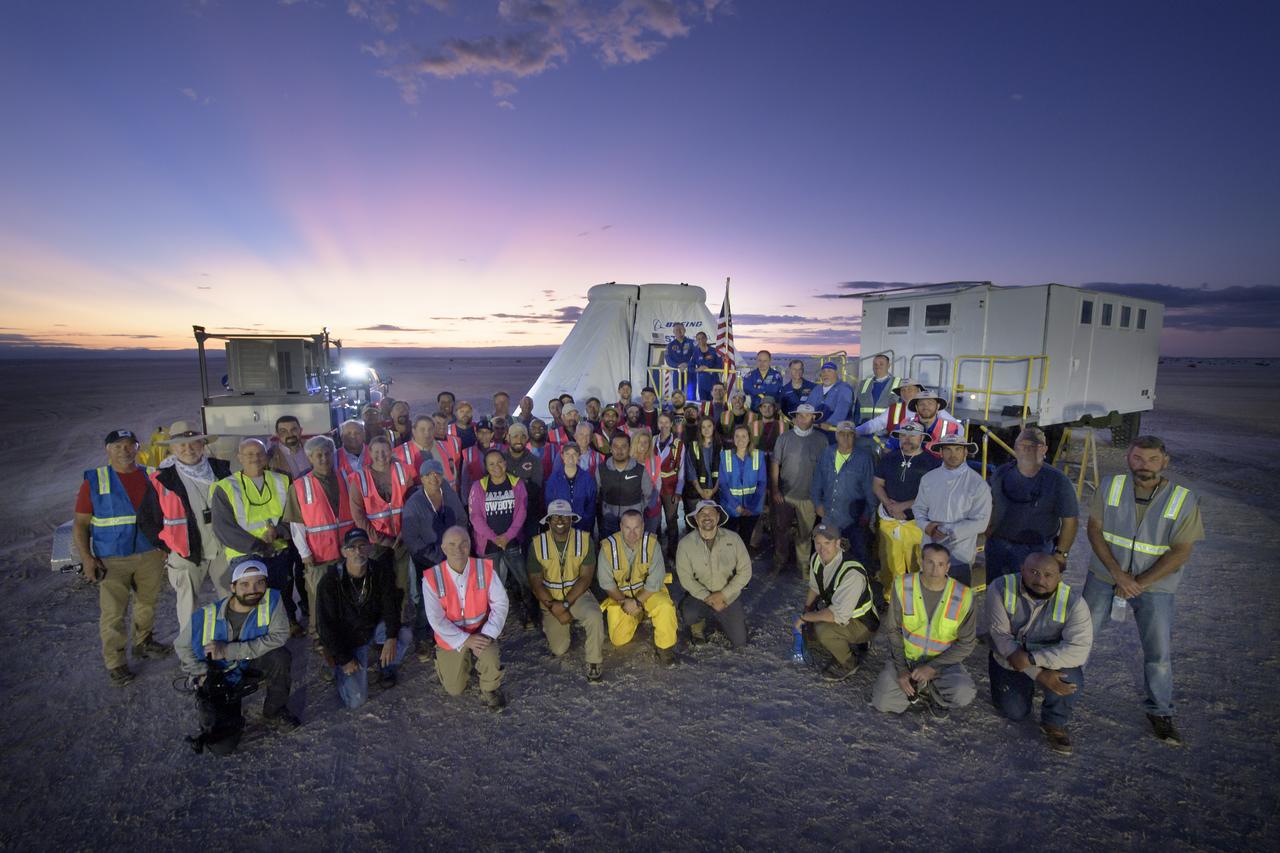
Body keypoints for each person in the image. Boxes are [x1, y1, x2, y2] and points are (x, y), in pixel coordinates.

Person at [1083, 435, 1203, 746]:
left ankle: (1161, 712)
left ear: (1165, 462)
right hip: (1105, 577)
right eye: (1137, 459)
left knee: (1158, 653)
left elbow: (1181, 551)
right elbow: (1094, 529)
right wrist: (1118, 575)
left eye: (1152, 460)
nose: (1144, 466)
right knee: (1081, 638)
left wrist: (1140, 582)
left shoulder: (1182, 498)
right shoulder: (1111, 486)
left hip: (1156, 587)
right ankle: (1062, 690)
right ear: (1128, 459)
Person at [73, 429, 169, 685]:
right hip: (111, 558)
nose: (124, 451)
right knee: (113, 613)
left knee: (147, 604)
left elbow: (166, 514)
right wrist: (87, 558)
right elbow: (81, 524)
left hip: (149, 553)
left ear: (138, 447)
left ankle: (143, 642)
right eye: (118, 446)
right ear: (108, 450)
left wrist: (165, 546)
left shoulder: (152, 475)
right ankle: (115, 663)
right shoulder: (95, 480)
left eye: (130, 445)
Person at [177, 560, 299, 748]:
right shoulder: (205, 615)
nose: (253, 589)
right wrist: (200, 674)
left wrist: (229, 651)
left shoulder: (272, 600)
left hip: (249, 664)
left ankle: (275, 710)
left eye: (260, 582)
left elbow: (280, 635)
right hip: (222, 677)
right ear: (232, 587)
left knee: (279, 657)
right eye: (245, 584)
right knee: (222, 747)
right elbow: (182, 646)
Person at [987, 552, 1093, 755]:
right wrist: (1039, 674)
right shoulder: (1000, 587)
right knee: (1015, 712)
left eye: (1048, 574)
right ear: (1022, 570)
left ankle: (1054, 722)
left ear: (1059, 577)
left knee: (1071, 679)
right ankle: (1030, 684)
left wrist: (1032, 659)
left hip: (1043, 659)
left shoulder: (1074, 603)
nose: (1040, 580)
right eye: (1033, 572)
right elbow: (1001, 638)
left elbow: (1079, 650)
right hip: (1009, 658)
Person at [138, 421, 231, 649]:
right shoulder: (162, 479)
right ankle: (192, 657)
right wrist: (167, 546)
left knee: (230, 599)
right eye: (181, 444)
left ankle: (231, 647)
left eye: (193, 443)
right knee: (187, 607)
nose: (188, 449)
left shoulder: (220, 470)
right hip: (185, 552)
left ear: (202, 444)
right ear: (172, 449)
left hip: (222, 547)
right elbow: (146, 519)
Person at [871, 543, 976, 716]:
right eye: (930, 562)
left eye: (941, 564)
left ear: (948, 567)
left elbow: (966, 644)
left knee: (963, 692)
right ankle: (915, 687)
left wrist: (932, 667)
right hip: (908, 659)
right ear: (921, 562)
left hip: (943, 664)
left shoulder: (964, 595)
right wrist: (902, 669)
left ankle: (936, 696)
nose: (935, 569)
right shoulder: (903, 585)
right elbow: (893, 630)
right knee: (882, 701)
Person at [211, 438, 301, 632]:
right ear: (239, 458)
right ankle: (254, 633)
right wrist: (259, 546)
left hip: (278, 551)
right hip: (244, 555)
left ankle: (288, 623)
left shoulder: (281, 480)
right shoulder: (225, 487)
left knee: (282, 592)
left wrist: (279, 532)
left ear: (266, 457)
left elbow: (293, 515)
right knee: (252, 597)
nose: (255, 458)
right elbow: (223, 528)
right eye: (249, 454)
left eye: (260, 453)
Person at [317, 529, 412, 706]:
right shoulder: (330, 581)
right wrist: (344, 658)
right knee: (356, 701)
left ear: (369, 548)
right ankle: (337, 667)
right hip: (348, 641)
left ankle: (386, 667)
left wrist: (391, 636)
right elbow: (324, 626)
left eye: (362, 546)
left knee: (404, 634)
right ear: (344, 552)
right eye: (352, 548)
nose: (358, 552)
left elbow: (391, 605)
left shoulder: (379, 571)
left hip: (372, 630)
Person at [421, 527, 508, 709]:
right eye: (451, 545)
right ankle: (452, 662)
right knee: (455, 689)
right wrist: (466, 640)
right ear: (443, 548)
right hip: (451, 639)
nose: (458, 550)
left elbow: (500, 604)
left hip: (481, 632)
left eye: (463, 544)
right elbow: (436, 620)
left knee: (490, 656)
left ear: (470, 545)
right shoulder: (431, 578)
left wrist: (488, 633)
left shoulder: (484, 568)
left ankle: (490, 688)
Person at [986, 426, 1079, 582]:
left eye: (1035, 446)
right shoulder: (1001, 473)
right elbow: (991, 503)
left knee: (1028, 597)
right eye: (1023, 445)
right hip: (998, 547)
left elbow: (1070, 521)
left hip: (1036, 551)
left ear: (1044, 449)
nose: (1028, 450)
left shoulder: (1058, 481)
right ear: (1015, 447)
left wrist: (1061, 554)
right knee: (996, 592)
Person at [281, 435, 352, 638]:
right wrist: (304, 553)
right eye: (318, 455)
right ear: (310, 457)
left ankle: (344, 631)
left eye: (327, 453)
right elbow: (297, 525)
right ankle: (318, 634)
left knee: (345, 592)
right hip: (319, 552)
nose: (323, 458)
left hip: (347, 549)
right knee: (318, 595)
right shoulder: (300, 486)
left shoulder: (347, 478)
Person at [527, 500, 605, 682]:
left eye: (564, 517)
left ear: (571, 519)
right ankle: (558, 622)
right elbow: (536, 583)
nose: (560, 520)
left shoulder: (585, 540)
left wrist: (564, 604)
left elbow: (586, 578)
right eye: (555, 516)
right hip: (550, 600)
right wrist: (554, 608)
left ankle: (594, 661)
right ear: (549, 520)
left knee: (594, 615)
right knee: (559, 649)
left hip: (577, 596)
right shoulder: (537, 544)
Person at [401, 458, 468, 658]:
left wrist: (459, 546)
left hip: (453, 555)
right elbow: (412, 539)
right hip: (428, 559)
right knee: (427, 599)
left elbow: (462, 519)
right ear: (421, 478)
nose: (434, 478)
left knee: (456, 595)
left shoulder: (448, 494)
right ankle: (422, 637)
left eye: (437, 473)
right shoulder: (414, 504)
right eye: (428, 475)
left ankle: (453, 631)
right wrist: (436, 556)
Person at [796, 524, 880, 680]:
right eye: (818, 543)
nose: (822, 549)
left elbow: (837, 615)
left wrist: (804, 617)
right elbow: (815, 587)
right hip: (841, 613)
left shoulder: (852, 573)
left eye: (827, 543)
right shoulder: (816, 558)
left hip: (863, 623)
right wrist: (806, 609)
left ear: (837, 543)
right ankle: (850, 643)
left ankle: (849, 663)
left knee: (823, 631)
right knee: (810, 632)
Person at [598, 510, 679, 664]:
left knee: (665, 606)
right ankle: (638, 615)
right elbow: (606, 583)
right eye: (628, 528)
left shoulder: (652, 543)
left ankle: (665, 648)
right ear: (621, 527)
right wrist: (624, 602)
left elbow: (655, 581)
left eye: (636, 528)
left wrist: (638, 602)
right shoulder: (608, 547)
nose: (632, 533)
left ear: (643, 527)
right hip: (621, 596)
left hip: (648, 593)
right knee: (618, 639)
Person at [912, 433, 992, 587]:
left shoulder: (977, 484)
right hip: (930, 553)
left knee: (957, 605)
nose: (953, 454)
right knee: (929, 601)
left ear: (965, 452)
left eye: (958, 449)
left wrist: (948, 530)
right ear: (941, 452)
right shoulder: (929, 479)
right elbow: (919, 508)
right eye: (948, 449)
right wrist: (926, 526)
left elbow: (981, 521)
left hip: (959, 557)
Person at [871, 421, 940, 597]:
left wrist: (904, 506)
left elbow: (933, 493)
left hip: (916, 523)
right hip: (889, 520)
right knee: (889, 562)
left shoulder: (932, 463)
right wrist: (889, 504)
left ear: (922, 438)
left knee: (917, 563)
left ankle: (916, 600)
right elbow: (878, 484)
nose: (907, 439)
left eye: (912, 435)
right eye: (903, 435)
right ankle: (891, 599)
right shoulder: (889, 458)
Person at [468, 448, 534, 625]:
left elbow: (521, 512)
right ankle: (492, 619)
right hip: (489, 544)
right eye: (491, 464)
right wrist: (494, 538)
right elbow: (475, 517)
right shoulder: (479, 486)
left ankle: (529, 612)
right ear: (486, 467)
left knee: (523, 579)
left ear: (505, 463)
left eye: (499, 462)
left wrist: (507, 536)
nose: (496, 466)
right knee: (491, 584)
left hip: (511, 541)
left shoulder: (517, 484)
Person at [348, 435, 414, 610]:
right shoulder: (360, 478)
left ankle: (402, 620)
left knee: (402, 584)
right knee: (378, 584)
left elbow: (412, 504)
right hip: (375, 543)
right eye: (376, 451)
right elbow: (359, 516)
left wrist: (404, 534)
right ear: (369, 452)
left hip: (401, 540)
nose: (381, 455)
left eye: (384, 450)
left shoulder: (403, 471)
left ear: (391, 451)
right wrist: (381, 539)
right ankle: (380, 624)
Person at [676, 500, 752, 648]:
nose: (707, 516)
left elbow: (746, 571)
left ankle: (727, 618)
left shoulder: (734, 539)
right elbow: (686, 579)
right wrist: (708, 597)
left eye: (711, 512)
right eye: (702, 513)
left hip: (727, 598)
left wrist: (723, 595)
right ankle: (697, 625)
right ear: (696, 519)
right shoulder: (685, 544)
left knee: (740, 641)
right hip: (700, 597)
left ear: (718, 517)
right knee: (689, 613)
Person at [770, 404, 827, 574]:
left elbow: (825, 470)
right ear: (795, 417)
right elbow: (775, 464)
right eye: (800, 416)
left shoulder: (821, 440)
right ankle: (779, 561)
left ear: (814, 417)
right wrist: (775, 490)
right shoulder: (784, 438)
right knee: (781, 530)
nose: (803, 419)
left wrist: (820, 497)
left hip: (809, 497)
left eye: (807, 416)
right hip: (786, 495)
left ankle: (803, 565)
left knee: (805, 533)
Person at [810, 421, 875, 564]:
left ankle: (859, 582)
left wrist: (867, 514)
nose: (846, 438)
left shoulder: (864, 458)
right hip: (829, 515)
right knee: (827, 554)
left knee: (859, 555)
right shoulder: (827, 453)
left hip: (854, 518)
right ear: (836, 435)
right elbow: (817, 482)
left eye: (850, 434)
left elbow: (870, 489)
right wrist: (817, 504)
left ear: (855, 437)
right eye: (842, 434)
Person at [855, 378, 961, 451]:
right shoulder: (895, 409)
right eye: (903, 390)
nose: (906, 393)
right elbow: (876, 423)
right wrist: (855, 431)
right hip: (900, 453)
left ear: (918, 391)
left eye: (910, 389)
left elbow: (958, 428)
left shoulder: (931, 408)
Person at [596, 432, 653, 540]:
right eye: (616, 446)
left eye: (624, 446)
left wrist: (638, 508)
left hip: (632, 523)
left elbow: (648, 494)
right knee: (609, 550)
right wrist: (605, 510)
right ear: (610, 448)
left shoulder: (640, 470)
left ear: (630, 448)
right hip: (609, 519)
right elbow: (596, 493)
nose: (619, 450)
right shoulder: (601, 469)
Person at [718, 424, 767, 545]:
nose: (740, 440)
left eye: (744, 436)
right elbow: (723, 485)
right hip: (731, 508)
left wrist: (750, 507)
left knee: (745, 540)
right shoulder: (725, 456)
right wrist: (737, 507)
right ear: (733, 439)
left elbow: (762, 483)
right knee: (729, 542)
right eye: (737, 436)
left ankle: (742, 563)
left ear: (749, 438)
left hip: (752, 508)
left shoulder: (758, 456)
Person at [544, 442, 598, 533]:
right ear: (562, 456)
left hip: (583, 528)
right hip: (560, 528)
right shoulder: (553, 480)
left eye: (574, 454)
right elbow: (550, 505)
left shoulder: (587, 479)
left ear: (579, 456)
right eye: (567, 454)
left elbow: (591, 507)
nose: (571, 457)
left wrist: (583, 525)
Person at [504, 423, 544, 541]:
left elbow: (535, 489)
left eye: (522, 436)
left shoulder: (535, 461)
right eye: (515, 436)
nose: (519, 440)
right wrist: (524, 482)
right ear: (508, 437)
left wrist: (510, 484)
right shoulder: (500, 459)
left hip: (529, 514)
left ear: (527, 438)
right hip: (505, 514)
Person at [654, 412, 685, 559]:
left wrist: (678, 491)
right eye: (661, 422)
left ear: (672, 424)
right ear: (657, 424)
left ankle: (673, 553)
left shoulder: (678, 444)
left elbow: (682, 470)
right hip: (653, 489)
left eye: (667, 422)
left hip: (670, 488)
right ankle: (656, 552)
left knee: (671, 521)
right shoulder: (652, 440)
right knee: (655, 522)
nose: (664, 425)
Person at [683, 415, 721, 521]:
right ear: (700, 429)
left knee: (713, 522)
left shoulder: (720, 446)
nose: (706, 429)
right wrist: (701, 492)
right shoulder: (693, 446)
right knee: (697, 522)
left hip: (715, 492)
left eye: (709, 426)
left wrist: (713, 491)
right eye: (703, 427)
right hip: (696, 493)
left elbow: (723, 470)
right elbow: (691, 471)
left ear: (714, 427)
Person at [807, 362, 854, 441]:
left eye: (829, 371)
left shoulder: (844, 388)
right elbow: (808, 405)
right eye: (823, 371)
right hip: (818, 429)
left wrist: (831, 422)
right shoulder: (817, 389)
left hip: (835, 431)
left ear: (836, 373)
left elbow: (842, 408)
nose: (826, 374)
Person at [907, 390, 963, 455]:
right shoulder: (905, 425)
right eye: (921, 404)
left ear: (938, 406)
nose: (926, 407)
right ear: (916, 407)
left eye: (930, 403)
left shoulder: (952, 428)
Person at [853, 353, 897, 425]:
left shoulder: (898, 384)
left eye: (881, 364)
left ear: (888, 366)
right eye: (875, 364)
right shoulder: (864, 383)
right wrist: (857, 425)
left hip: (886, 430)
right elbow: (858, 407)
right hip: (864, 429)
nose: (877, 367)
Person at [664, 322, 696, 398]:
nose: (678, 331)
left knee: (691, 395)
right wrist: (678, 365)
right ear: (673, 332)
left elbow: (696, 356)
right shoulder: (670, 345)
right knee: (677, 394)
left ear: (684, 330)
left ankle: (691, 409)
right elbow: (668, 360)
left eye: (680, 329)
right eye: (676, 330)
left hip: (690, 372)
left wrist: (687, 364)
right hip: (677, 372)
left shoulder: (692, 343)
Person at [690, 331, 721, 403]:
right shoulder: (696, 353)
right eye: (698, 339)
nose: (701, 340)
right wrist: (698, 369)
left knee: (715, 404)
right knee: (703, 405)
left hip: (714, 383)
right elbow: (690, 367)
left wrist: (710, 369)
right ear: (697, 340)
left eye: (703, 338)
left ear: (706, 339)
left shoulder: (714, 351)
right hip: (702, 384)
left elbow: (720, 365)